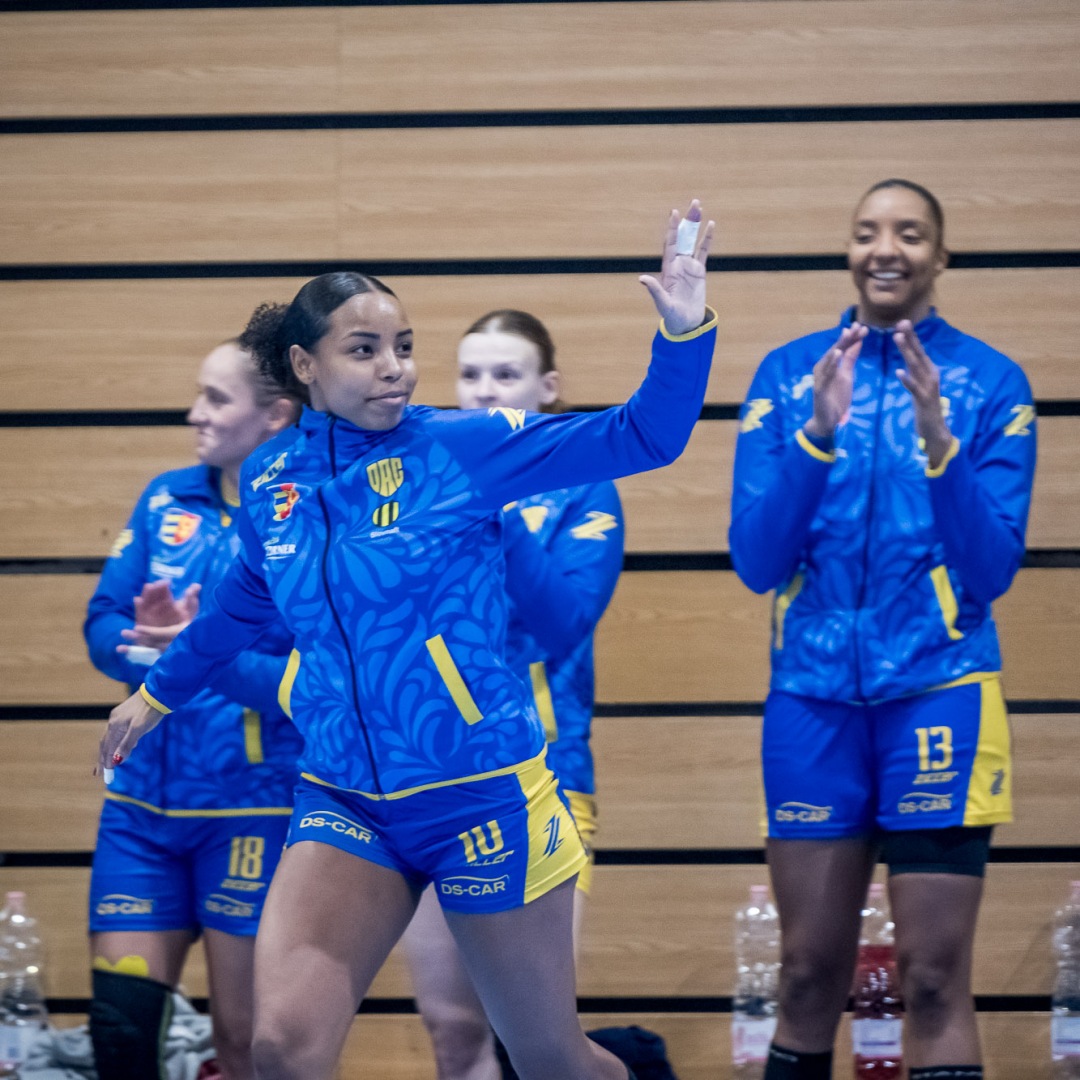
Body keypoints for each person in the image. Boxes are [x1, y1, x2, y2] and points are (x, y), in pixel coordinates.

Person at [95, 201, 716, 1080]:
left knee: (548, 1060)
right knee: (281, 1051)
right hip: (344, 798)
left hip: (480, 794)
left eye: (403, 346)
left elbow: (646, 434)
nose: (395, 368)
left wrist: (684, 328)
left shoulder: (465, 447)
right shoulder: (271, 476)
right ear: (304, 365)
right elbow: (242, 603)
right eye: (364, 349)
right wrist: (154, 695)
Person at [729, 179, 1037, 1080]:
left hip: (940, 693)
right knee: (804, 974)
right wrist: (816, 436)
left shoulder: (991, 383)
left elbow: (992, 570)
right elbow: (756, 561)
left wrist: (942, 446)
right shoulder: (788, 376)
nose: (886, 249)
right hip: (811, 703)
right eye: (867, 232)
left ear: (940, 256)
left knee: (932, 979)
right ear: (850, 251)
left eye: (909, 233)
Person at [401, 309, 624, 1080]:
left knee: (540, 1041)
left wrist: (497, 516)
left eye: (506, 374)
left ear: (547, 388)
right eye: (470, 375)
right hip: (430, 781)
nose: (484, 391)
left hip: (544, 781)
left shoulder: (584, 485)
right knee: (452, 1030)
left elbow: (563, 623)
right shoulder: (415, 485)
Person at [84, 339, 303, 1080]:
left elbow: (308, 679)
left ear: (276, 415)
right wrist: (148, 651)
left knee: (246, 1043)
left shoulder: (304, 517)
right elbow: (103, 622)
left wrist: (198, 654)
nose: (194, 414)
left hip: (252, 811)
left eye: (216, 398)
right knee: (120, 1038)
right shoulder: (164, 498)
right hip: (140, 811)